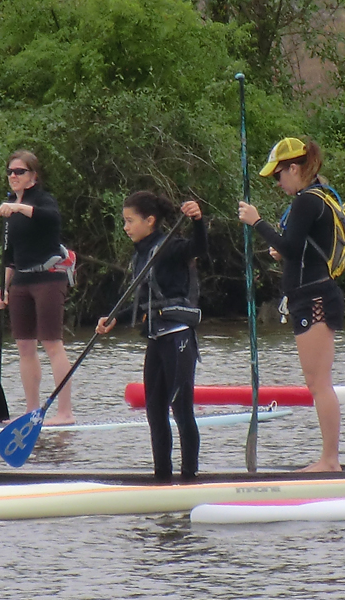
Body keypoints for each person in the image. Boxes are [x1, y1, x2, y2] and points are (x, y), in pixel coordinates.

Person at [238, 137, 343, 472]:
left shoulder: (307, 202)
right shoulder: (315, 198)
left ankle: (329, 461)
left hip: (314, 298)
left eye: (279, 175)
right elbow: (296, 247)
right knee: (317, 383)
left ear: (294, 168)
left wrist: (258, 223)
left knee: (319, 384)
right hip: (307, 297)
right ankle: (328, 459)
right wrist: (279, 247)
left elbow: (293, 248)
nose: (277, 182)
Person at [96, 192, 207, 481]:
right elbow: (143, 303)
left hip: (178, 338)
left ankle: (190, 476)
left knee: (181, 411)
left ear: (150, 221)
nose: (126, 227)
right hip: (156, 341)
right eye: (124, 221)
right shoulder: (140, 255)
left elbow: (199, 247)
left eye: (130, 221)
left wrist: (197, 220)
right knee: (155, 413)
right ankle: (162, 477)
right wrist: (114, 318)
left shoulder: (170, 247)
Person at [0, 150, 75, 425]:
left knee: (52, 343)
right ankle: (32, 412)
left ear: (33, 176)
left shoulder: (42, 200)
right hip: (22, 281)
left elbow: (50, 218)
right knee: (25, 347)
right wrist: (3, 289)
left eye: (20, 172)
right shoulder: (9, 207)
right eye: (10, 172)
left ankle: (65, 413)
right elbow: (10, 255)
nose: (13, 176)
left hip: (49, 278)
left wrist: (17, 207)